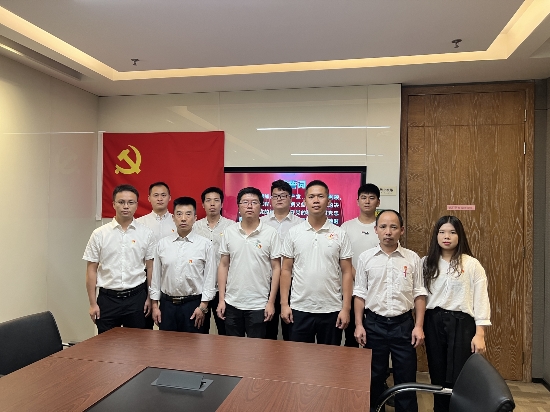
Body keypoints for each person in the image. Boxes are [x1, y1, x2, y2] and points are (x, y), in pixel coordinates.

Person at [353, 209, 427, 412]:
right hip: (373, 324)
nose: (388, 232)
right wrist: (359, 324)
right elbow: (359, 293)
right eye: (383, 227)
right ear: (376, 229)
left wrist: (419, 326)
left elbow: (419, 294)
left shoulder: (412, 258)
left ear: (401, 230)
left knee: (406, 377)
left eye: (393, 227)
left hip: (403, 325)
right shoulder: (366, 258)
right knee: (374, 376)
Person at [422, 215, 491, 412]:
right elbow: (419, 296)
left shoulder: (472, 264)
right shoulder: (426, 263)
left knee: (459, 374)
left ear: (460, 235)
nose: (447, 236)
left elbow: (481, 299)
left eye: (452, 232)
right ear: (436, 235)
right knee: (437, 372)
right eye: (442, 232)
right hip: (433, 321)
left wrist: (480, 334)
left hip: (462, 324)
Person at [280, 180, 353, 346]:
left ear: (329, 201)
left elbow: (347, 272)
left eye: (321, 196)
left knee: (329, 359)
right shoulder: (294, 233)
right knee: (298, 358)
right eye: (311, 196)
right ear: (304, 201)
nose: (316, 200)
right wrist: (284, 304)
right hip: (299, 308)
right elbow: (286, 270)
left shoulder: (340, 234)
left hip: (331, 309)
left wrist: (346, 308)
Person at [83, 184, 155, 334]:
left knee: (139, 343)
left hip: (137, 298)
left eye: (130, 202)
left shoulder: (146, 234)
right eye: (121, 202)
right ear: (113, 204)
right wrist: (92, 303)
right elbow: (91, 269)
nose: (126, 206)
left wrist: (151, 299)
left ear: (137, 205)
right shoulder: (99, 234)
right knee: (106, 344)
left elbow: (150, 268)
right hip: (108, 299)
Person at [216, 187, 282, 338]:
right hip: (232, 302)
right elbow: (223, 265)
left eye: (254, 202)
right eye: (245, 202)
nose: (249, 206)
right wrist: (221, 300)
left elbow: (276, 268)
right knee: (232, 348)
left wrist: (271, 302)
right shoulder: (229, 232)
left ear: (261, 206)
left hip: (259, 304)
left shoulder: (271, 233)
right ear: (238, 206)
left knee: (257, 349)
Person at [149, 197, 216, 333]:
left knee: (195, 345)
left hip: (194, 305)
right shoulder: (162, 244)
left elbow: (210, 278)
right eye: (179, 214)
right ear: (173, 218)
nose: (183, 219)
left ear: (195, 218)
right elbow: (156, 277)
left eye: (188, 214)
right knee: (167, 344)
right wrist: (155, 306)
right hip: (167, 306)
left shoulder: (205, 245)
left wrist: (203, 306)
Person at [260, 179, 304, 340]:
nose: (279, 199)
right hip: (266, 282)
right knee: (267, 330)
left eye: (283, 195)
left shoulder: (300, 224)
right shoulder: (261, 222)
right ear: (270, 199)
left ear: (291, 199)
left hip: (292, 283)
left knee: (290, 329)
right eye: (275, 196)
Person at [341, 183, 381, 347]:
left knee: (374, 336)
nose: (367, 201)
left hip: (376, 289)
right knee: (351, 336)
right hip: (351, 289)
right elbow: (342, 258)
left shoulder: (382, 228)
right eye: (363, 198)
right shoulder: (346, 227)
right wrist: (357, 276)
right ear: (357, 201)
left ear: (378, 202)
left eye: (372, 198)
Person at [193, 187, 235, 335]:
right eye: (208, 200)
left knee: (225, 331)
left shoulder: (231, 227)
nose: (212, 204)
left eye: (216, 200)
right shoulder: (195, 227)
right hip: (201, 287)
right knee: (199, 330)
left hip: (224, 288)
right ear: (203, 204)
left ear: (222, 204)